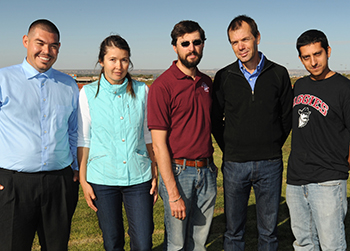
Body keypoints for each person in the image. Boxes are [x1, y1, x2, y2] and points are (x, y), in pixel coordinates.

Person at [211, 15, 293, 250]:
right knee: (233, 232)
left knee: (268, 233)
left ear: (257, 37)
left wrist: (273, 143)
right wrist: (232, 147)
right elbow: (216, 121)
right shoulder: (224, 77)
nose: (241, 47)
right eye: (234, 42)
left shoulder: (279, 73)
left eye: (245, 39)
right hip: (235, 165)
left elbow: (286, 117)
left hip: (270, 163)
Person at [0, 19, 79, 250]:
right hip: (13, 183)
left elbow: (73, 131)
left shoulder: (68, 84)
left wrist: (75, 168)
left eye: (53, 46)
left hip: (59, 183)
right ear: (26, 42)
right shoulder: (3, 80)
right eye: (40, 43)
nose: (47, 51)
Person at [78, 35, 158, 251]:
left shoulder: (143, 91)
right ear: (101, 61)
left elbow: (148, 135)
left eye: (124, 60)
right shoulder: (86, 94)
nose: (118, 66)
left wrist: (154, 170)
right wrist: (84, 181)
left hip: (139, 177)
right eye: (112, 59)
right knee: (112, 242)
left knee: (143, 242)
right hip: (102, 179)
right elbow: (84, 140)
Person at [148, 20, 217, 250]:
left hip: (206, 171)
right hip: (179, 172)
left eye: (196, 42)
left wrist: (212, 166)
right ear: (175, 47)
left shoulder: (206, 83)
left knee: (199, 242)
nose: (191, 48)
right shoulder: (162, 86)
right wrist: (173, 192)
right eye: (185, 43)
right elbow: (158, 146)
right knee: (177, 243)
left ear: (203, 45)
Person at [286, 29, 350, 251]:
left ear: (328, 51)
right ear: (300, 58)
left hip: (328, 180)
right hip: (296, 179)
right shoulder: (300, 86)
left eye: (318, 54)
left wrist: (342, 168)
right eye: (306, 57)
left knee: (332, 244)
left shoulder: (344, 88)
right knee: (303, 244)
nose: (313, 62)